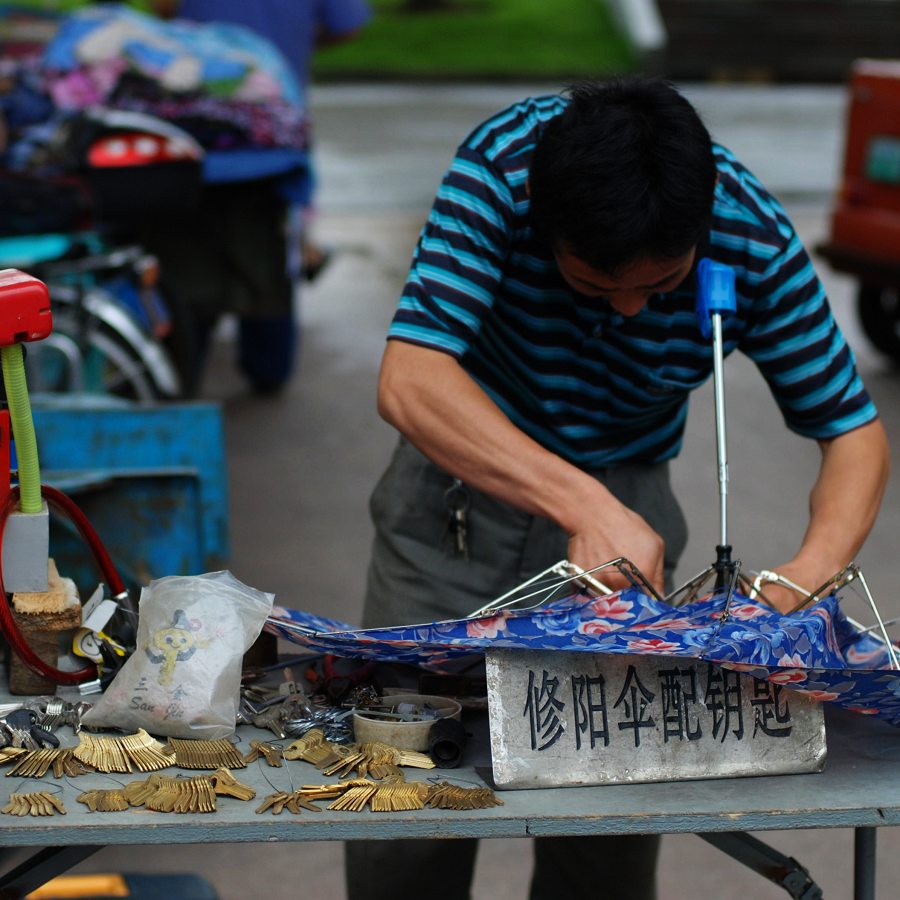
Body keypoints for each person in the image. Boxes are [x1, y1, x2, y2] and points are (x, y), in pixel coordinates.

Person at [346, 78, 890, 900]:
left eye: (661, 285)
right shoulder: (500, 174)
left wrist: (798, 587)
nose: (632, 310)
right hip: (461, 494)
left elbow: (853, 433)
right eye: (599, 289)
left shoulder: (753, 238)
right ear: (547, 228)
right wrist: (585, 507)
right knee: (408, 797)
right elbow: (412, 379)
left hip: (632, 505)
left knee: (609, 815)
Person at [145, 0, 371, 394]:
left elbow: (160, 9)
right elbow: (347, 24)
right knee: (268, 245)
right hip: (275, 127)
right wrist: (281, 48)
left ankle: (187, 366)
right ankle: (268, 367)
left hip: (195, 127)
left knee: (189, 254)